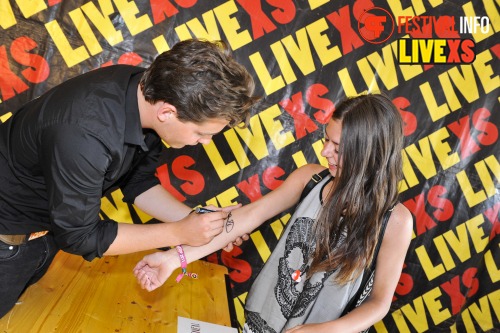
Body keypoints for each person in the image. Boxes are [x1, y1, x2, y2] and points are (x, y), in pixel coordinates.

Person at [0, 38, 259, 318]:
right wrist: (179, 233)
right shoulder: (85, 131)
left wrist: (200, 223)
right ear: (167, 113)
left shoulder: (145, 93)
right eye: (201, 133)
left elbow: (139, 183)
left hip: (40, 234)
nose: (206, 142)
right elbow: (79, 236)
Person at [133, 93, 414, 333]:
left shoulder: (395, 221)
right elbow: (247, 217)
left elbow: (379, 302)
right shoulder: (310, 178)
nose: (325, 151)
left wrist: (322, 331)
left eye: (338, 148)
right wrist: (174, 258)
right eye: (327, 139)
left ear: (368, 153)